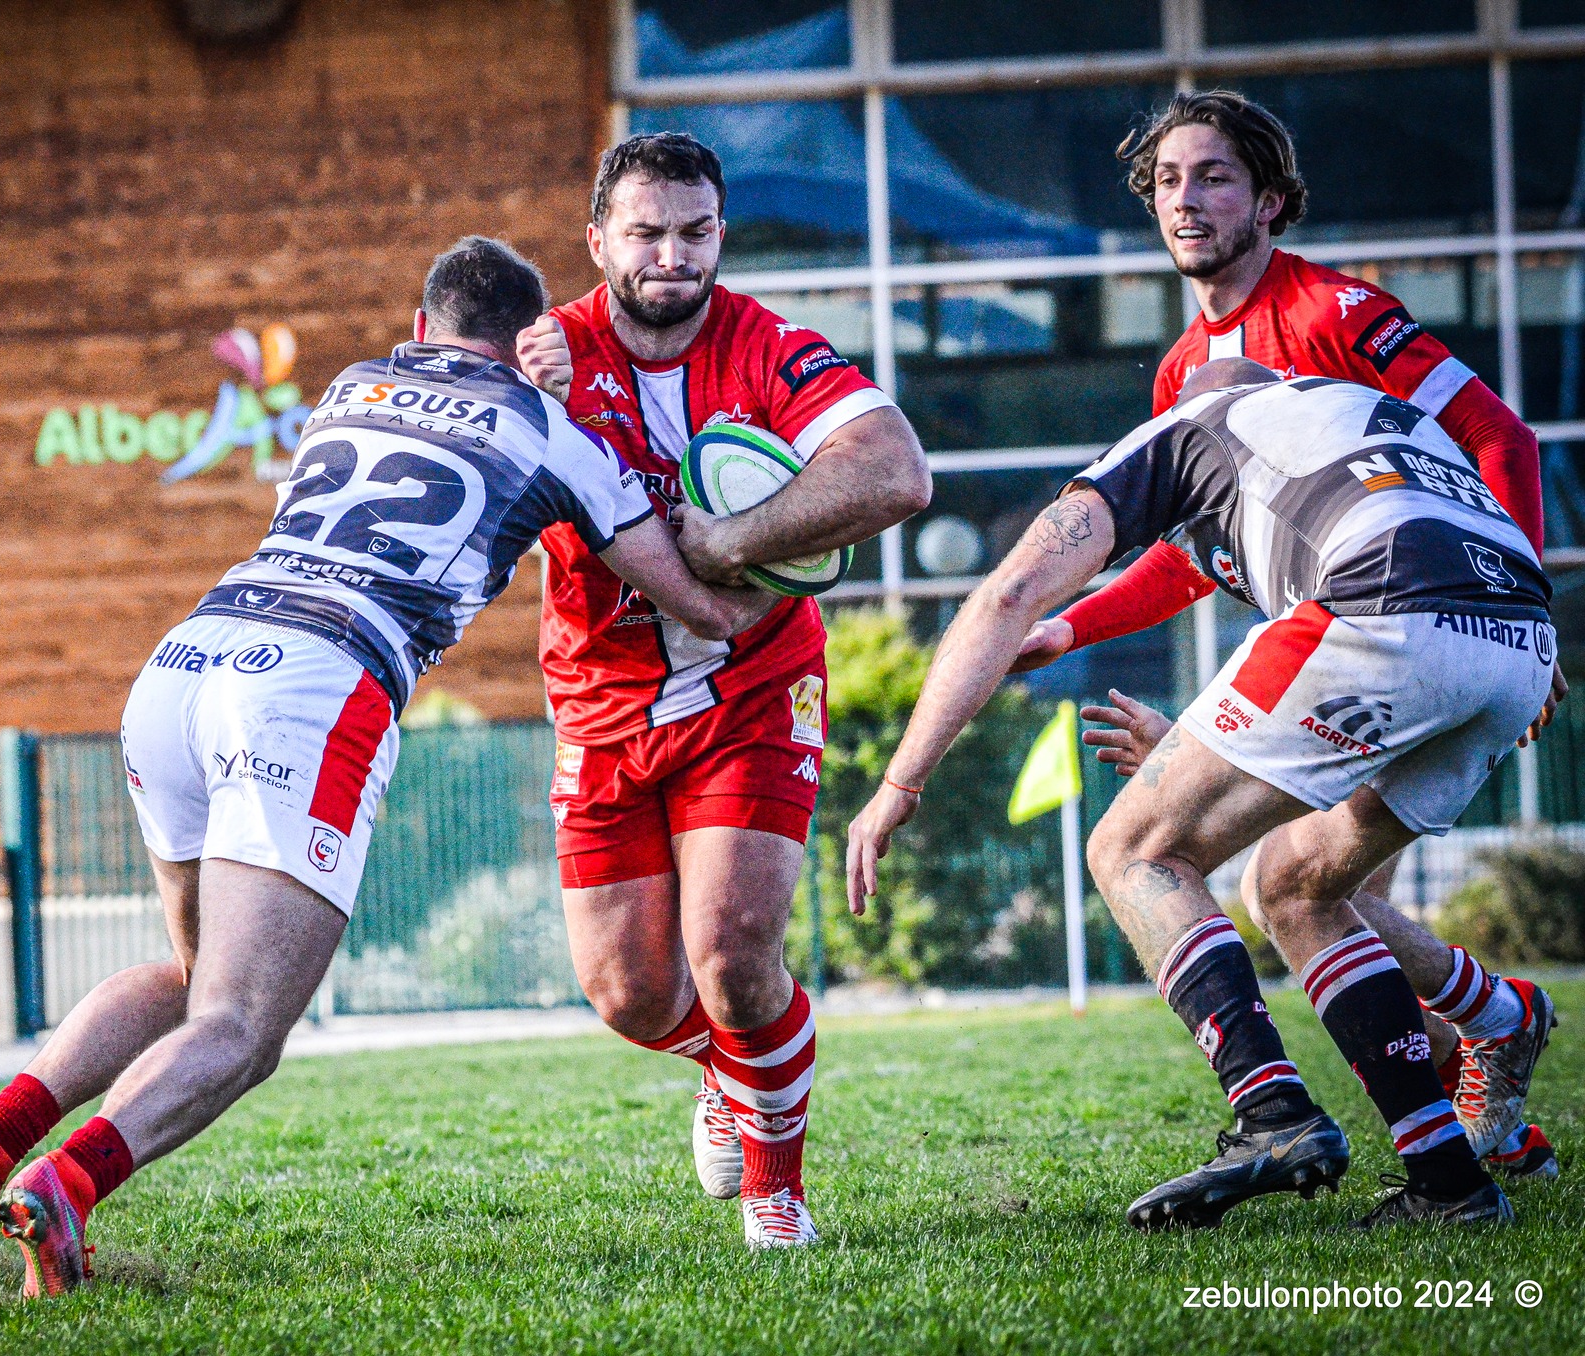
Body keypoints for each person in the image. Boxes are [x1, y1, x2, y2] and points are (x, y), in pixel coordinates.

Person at [0, 235, 777, 1296]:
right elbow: (686, 595)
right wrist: (777, 569)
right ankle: (65, 1188)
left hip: (185, 661)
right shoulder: (553, 429)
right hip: (314, 686)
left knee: (192, 984)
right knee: (240, 1024)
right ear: (528, 341)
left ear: (422, 329)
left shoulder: (352, 383)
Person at [848, 358, 1555, 1230]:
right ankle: (1452, 1180)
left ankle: (1273, 1116)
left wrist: (900, 780)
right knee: (1296, 883)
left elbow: (1011, 591)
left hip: (1384, 601)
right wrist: (1190, 749)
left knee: (1132, 848)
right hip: (1521, 642)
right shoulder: (1357, 418)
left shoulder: (1190, 428)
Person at [1012, 89, 1562, 1178]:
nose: (1185, 198)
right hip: (1338, 641)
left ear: (1267, 199)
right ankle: (1493, 1087)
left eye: (1211, 175)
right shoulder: (1179, 373)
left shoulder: (1339, 312)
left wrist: (1523, 591)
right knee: (1315, 891)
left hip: (1406, 625)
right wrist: (1065, 625)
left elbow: (1500, 438)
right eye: (1167, 181)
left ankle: (1483, 1064)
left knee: (1305, 891)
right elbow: (1187, 560)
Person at [512, 132, 931, 1247]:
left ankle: (774, 1194)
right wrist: (520, 397)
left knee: (734, 948)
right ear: (596, 239)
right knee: (630, 997)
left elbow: (895, 470)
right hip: (599, 703)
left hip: (754, 684)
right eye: (643, 233)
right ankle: (724, 1066)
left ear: (720, 238)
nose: (669, 256)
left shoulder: (771, 348)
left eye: (693, 232)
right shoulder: (543, 354)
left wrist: (734, 536)